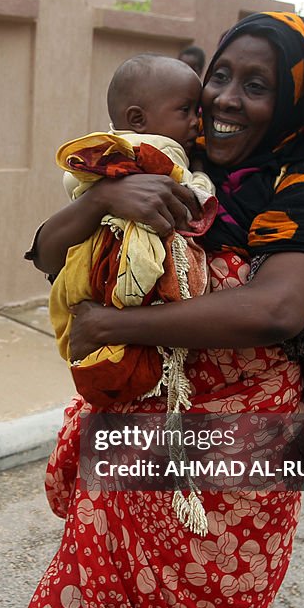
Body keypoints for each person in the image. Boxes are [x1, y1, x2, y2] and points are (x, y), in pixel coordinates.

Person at [5, 12, 304, 608]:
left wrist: (116, 327)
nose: (223, 98)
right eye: (219, 76)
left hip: (234, 482)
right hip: (127, 459)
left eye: (255, 85)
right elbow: (49, 255)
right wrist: (108, 194)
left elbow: (276, 307)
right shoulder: (171, 166)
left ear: (293, 103)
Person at [50, 54, 217, 409]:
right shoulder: (160, 150)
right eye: (186, 111)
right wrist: (202, 177)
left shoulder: (103, 149)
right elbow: (191, 200)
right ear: (138, 119)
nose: (196, 123)